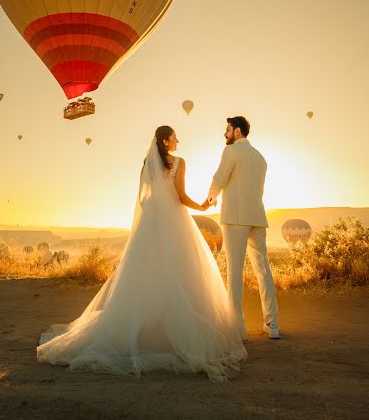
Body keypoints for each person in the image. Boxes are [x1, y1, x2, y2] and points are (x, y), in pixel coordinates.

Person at [37, 126, 247, 381]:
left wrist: (154, 213)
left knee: (144, 272)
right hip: (174, 222)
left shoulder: (148, 163)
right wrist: (202, 206)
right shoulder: (179, 162)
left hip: (151, 222)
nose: (177, 140)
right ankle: (171, 332)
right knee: (181, 271)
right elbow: (180, 196)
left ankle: (146, 327)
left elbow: (144, 199)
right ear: (166, 141)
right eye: (174, 137)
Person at [207, 117, 279, 339]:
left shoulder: (231, 152)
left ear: (237, 132)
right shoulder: (260, 158)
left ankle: (238, 329)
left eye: (227, 130)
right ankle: (273, 325)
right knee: (263, 271)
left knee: (235, 272)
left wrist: (210, 198)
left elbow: (220, 178)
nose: (225, 134)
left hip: (235, 219)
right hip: (257, 218)